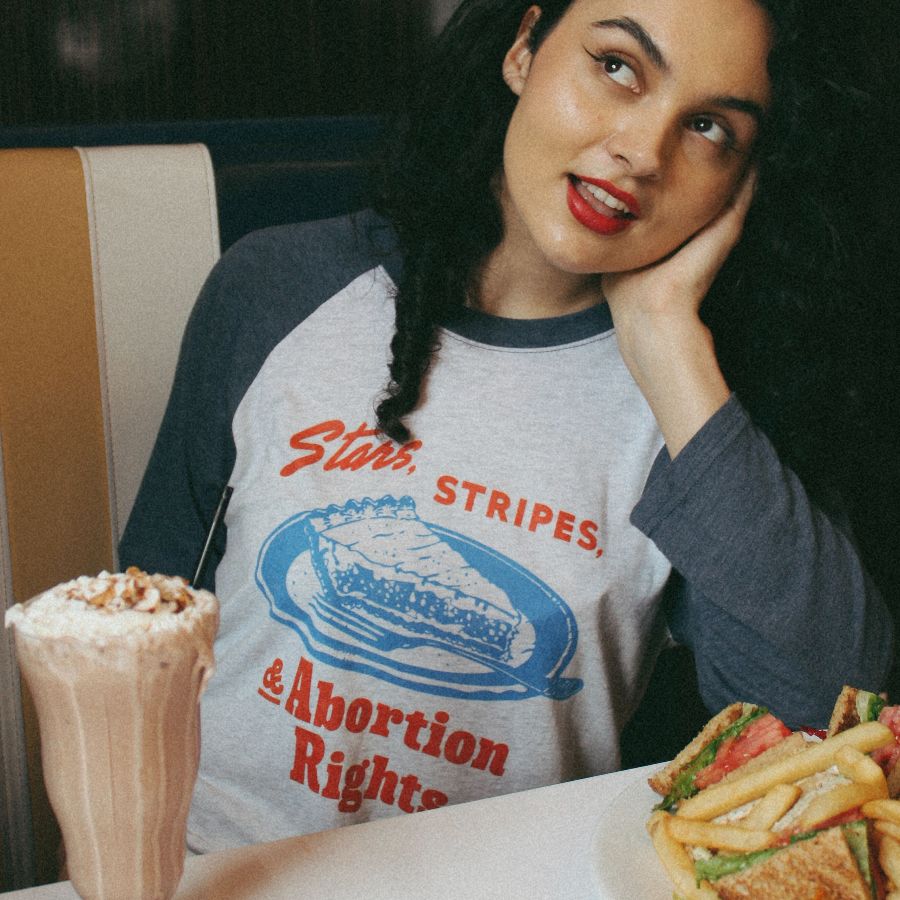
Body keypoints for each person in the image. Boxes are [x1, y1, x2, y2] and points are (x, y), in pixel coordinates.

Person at [120, 0, 896, 852]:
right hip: (214, 873)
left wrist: (665, 335)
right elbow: (136, 626)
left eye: (710, 128)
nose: (644, 152)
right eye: (617, 66)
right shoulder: (276, 288)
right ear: (524, 48)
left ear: (743, 180)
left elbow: (829, 719)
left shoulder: (702, 408)